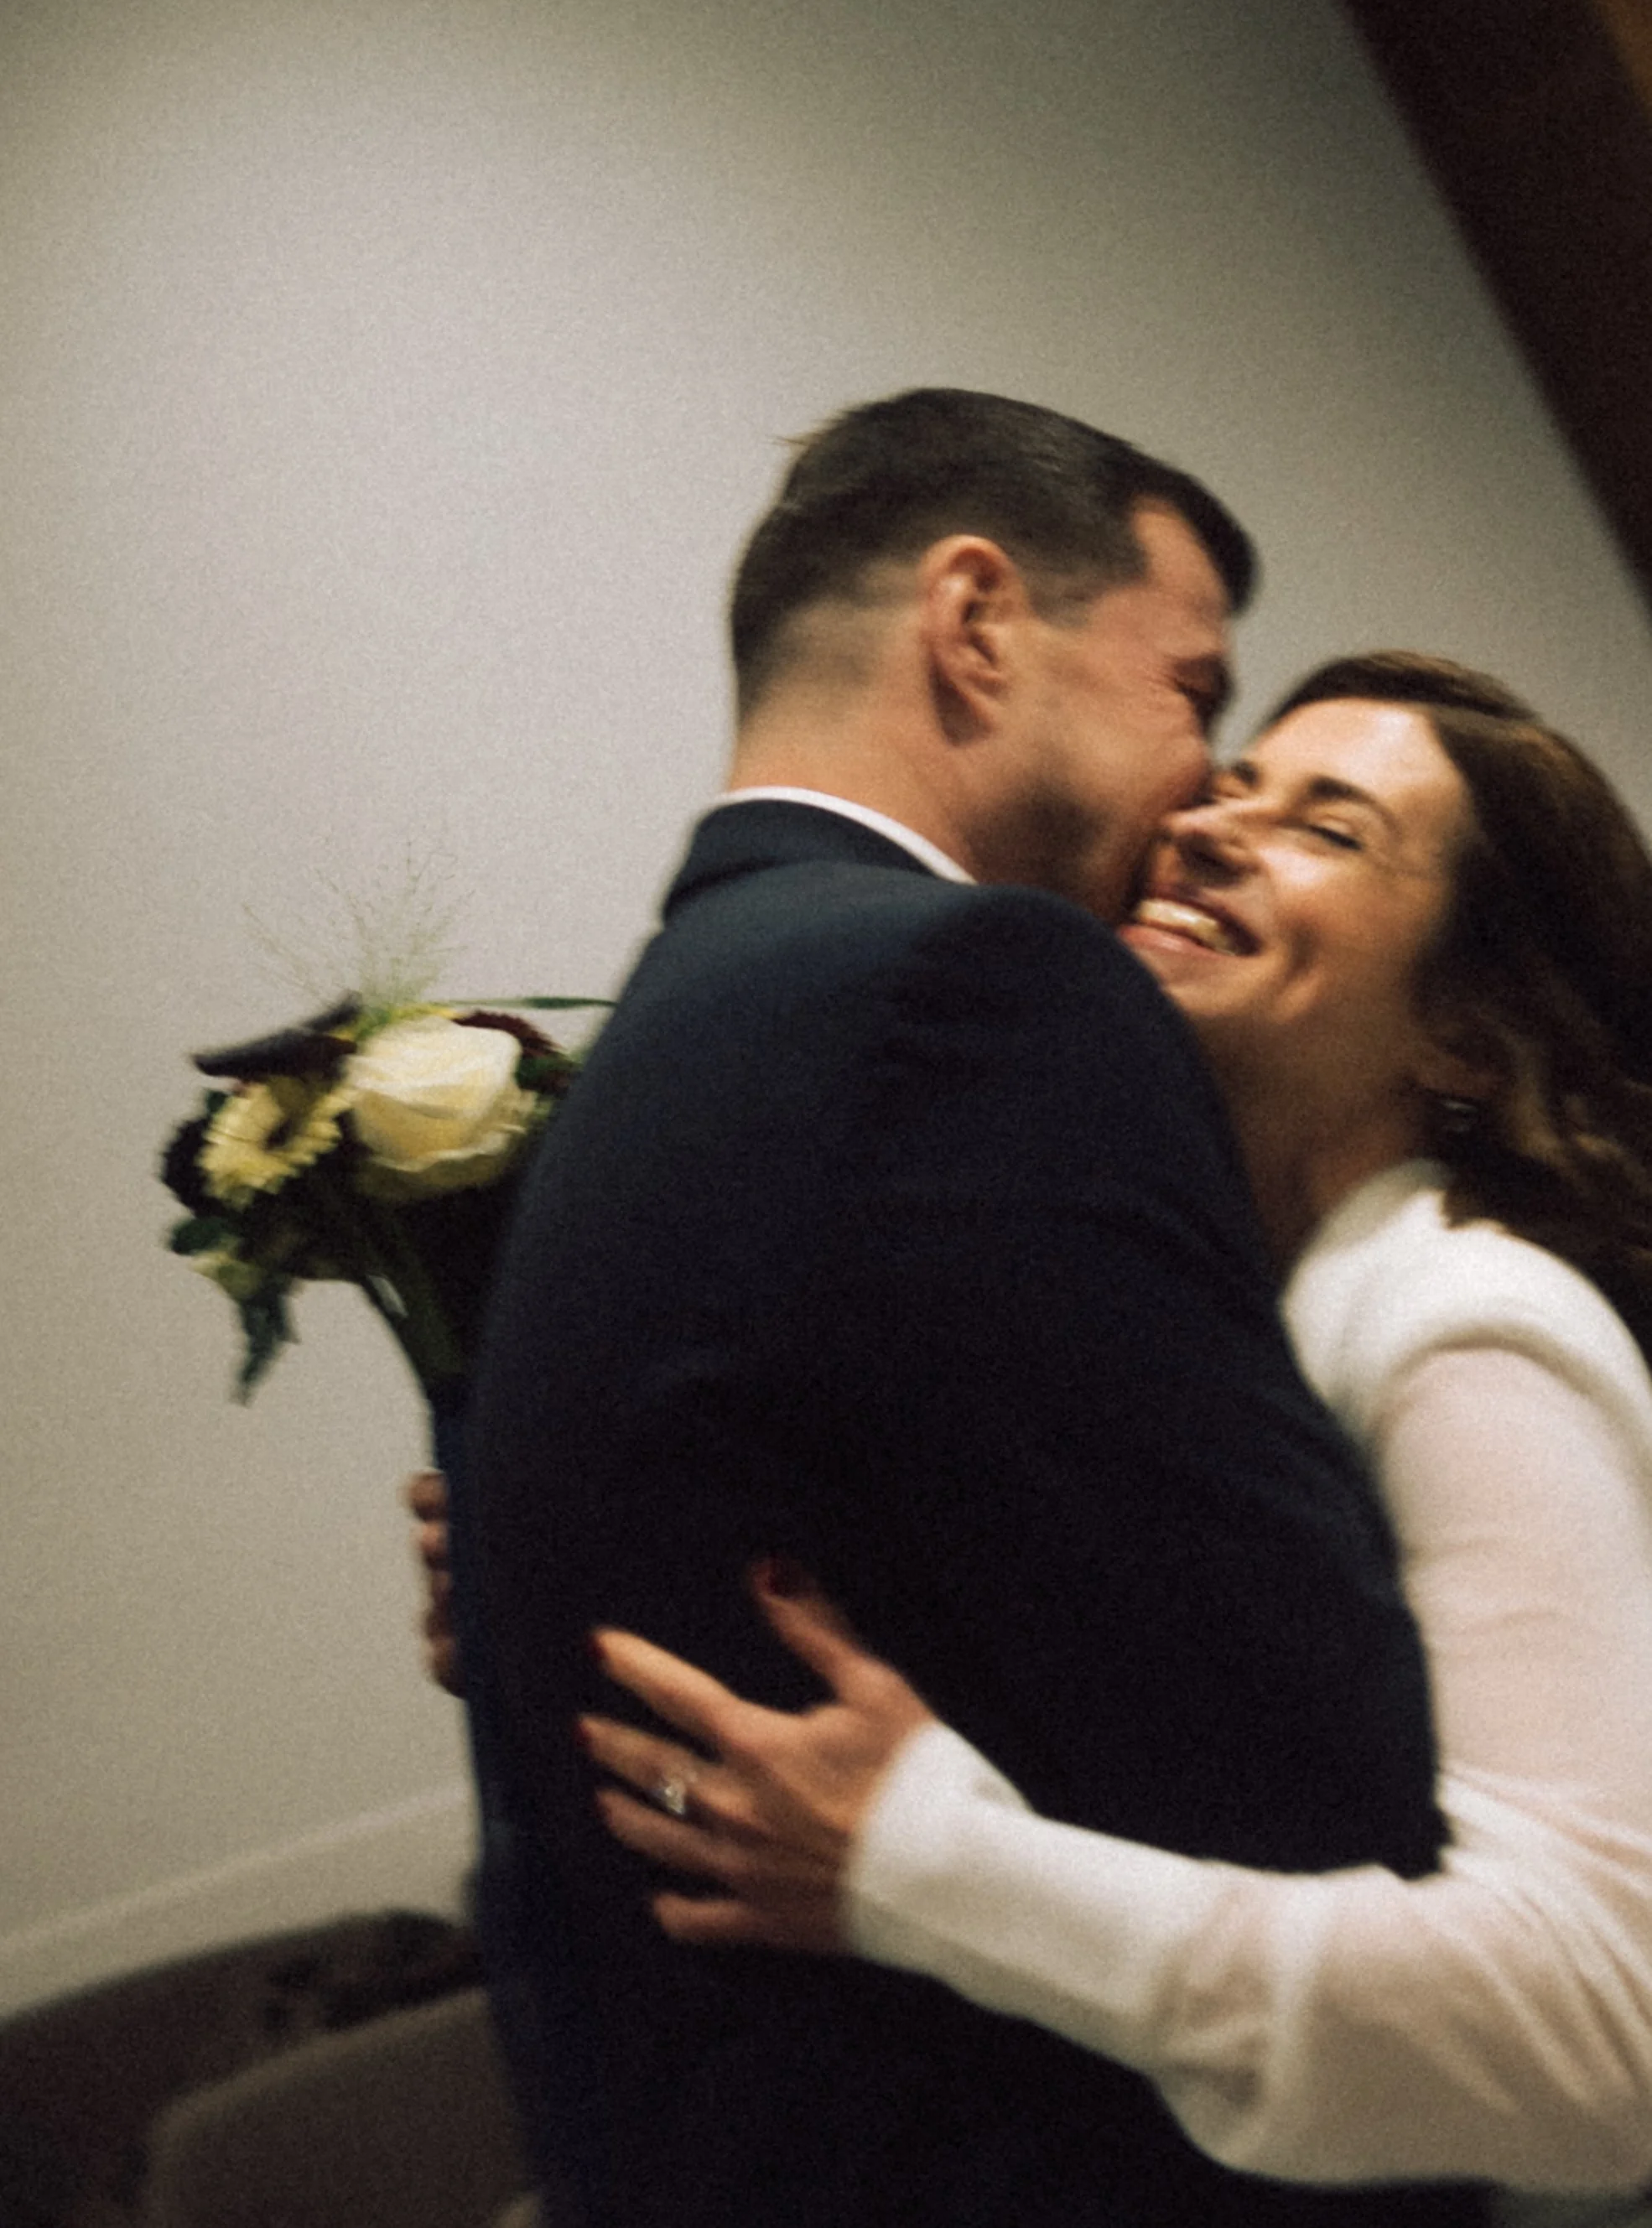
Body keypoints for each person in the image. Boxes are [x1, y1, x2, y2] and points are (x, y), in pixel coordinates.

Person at [464, 393, 1483, 2225]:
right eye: (1193, 692)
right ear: (977, 619)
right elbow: (1305, 1758)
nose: (1202, 787)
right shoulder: (967, 990)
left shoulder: (674, 1026)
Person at [579, 653, 1652, 2215]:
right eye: (1230, 786)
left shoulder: (1460, 1330)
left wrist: (919, 1869)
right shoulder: (1221, 1314)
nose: (1209, 829)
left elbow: (1594, 2030)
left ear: (1465, 1043)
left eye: (1327, 829)